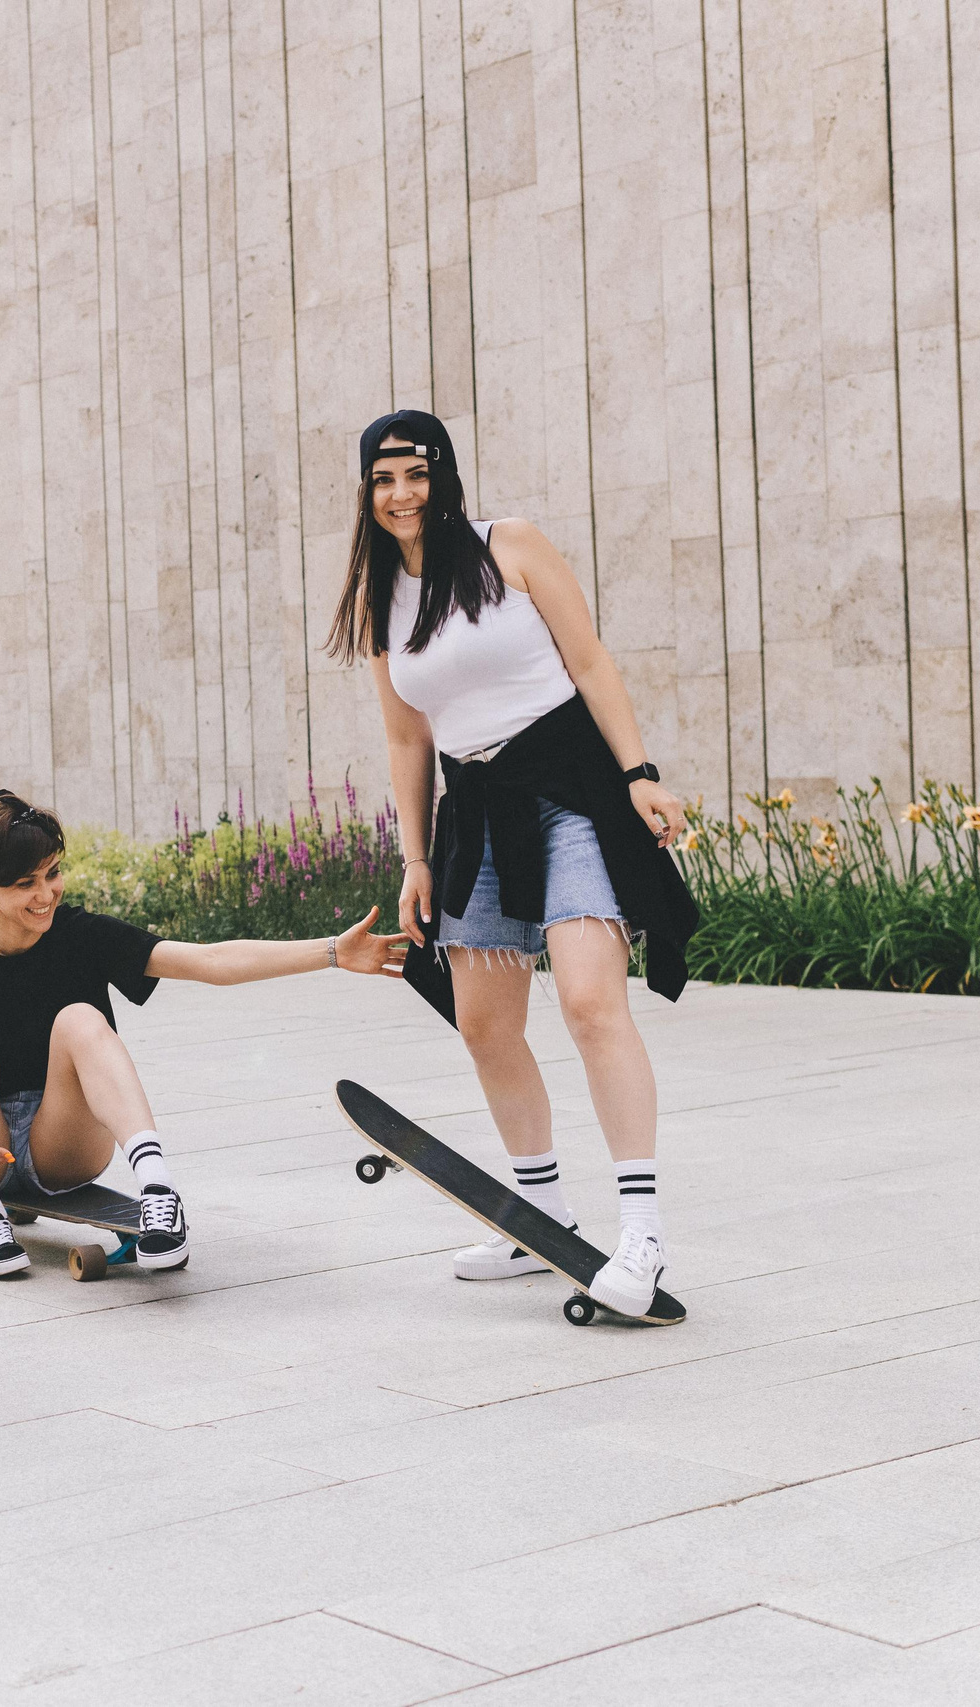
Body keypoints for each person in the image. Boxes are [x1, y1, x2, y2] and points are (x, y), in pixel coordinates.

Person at [325, 408, 698, 1318]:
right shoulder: (382, 602)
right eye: (383, 479)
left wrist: (640, 773)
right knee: (485, 1022)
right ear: (367, 493)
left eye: (415, 473)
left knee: (588, 1001)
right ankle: (541, 1214)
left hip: (569, 790)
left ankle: (641, 1231)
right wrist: (415, 855)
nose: (401, 493)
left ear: (444, 474)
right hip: (477, 813)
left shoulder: (511, 546)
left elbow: (591, 661)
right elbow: (407, 734)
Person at [0, 792, 411, 1278]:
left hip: (60, 1143)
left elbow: (209, 961)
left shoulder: (80, 934)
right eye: (25, 885)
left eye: (52, 873)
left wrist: (331, 953)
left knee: (80, 1018)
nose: (45, 895)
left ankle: (159, 1190)